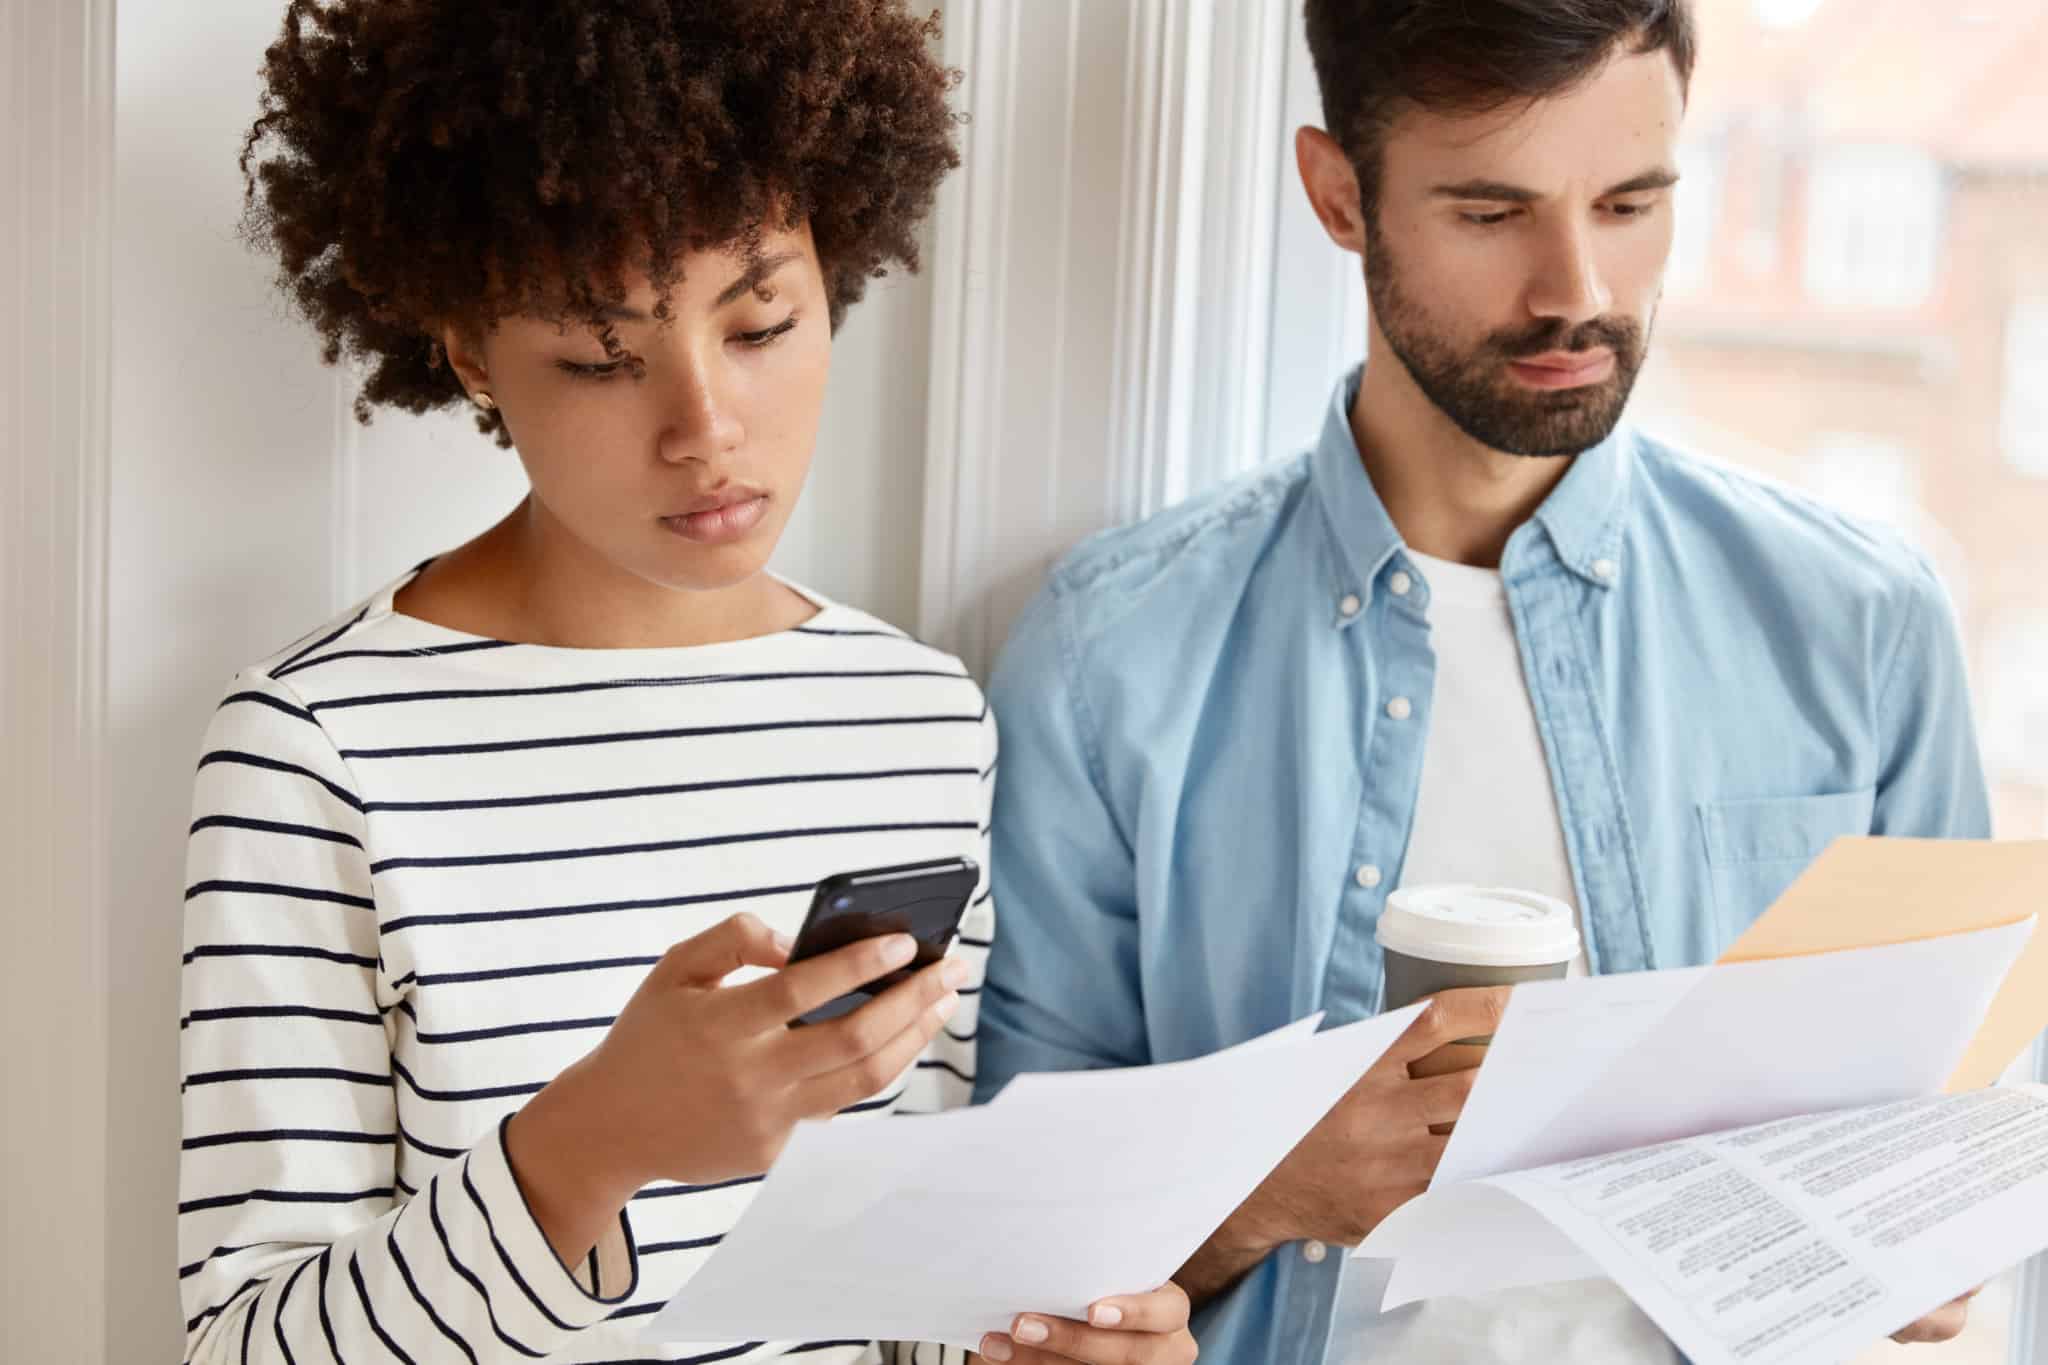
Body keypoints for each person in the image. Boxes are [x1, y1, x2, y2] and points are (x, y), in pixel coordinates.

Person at [178, 5, 1195, 1363]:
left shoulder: (916, 717)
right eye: (603, 357)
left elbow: (906, 1292)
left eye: (762, 321)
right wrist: (591, 1143)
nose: (706, 430)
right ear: (471, 349)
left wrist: (1032, 1338)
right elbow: (244, 1344)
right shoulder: (313, 751)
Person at [975, 0, 1985, 1361]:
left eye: (1630, 203)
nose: (1575, 286)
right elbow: (1006, 1237)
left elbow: (1960, 1178)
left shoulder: (1863, 626)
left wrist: (1930, 1245)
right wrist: (1273, 1187)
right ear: (1341, 197)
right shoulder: (1114, 655)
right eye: (1492, 213)